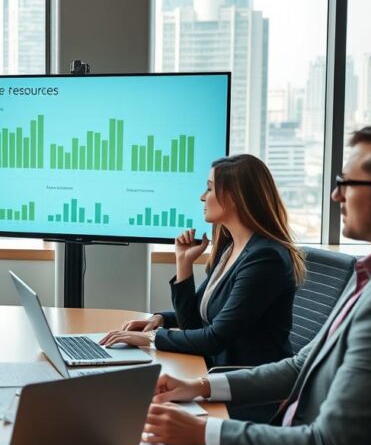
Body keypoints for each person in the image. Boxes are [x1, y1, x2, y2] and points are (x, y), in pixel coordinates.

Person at [142, 122, 371, 445]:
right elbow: (300, 365)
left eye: (346, 183)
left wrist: (202, 432)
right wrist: (199, 386)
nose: (336, 195)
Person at [101, 154, 304, 369]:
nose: (202, 197)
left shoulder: (265, 259)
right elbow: (194, 322)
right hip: (215, 369)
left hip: (245, 379)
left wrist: (151, 338)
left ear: (234, 197)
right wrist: (182, 265)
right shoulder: (230, 248)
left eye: (209, 188)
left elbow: (215, 338)